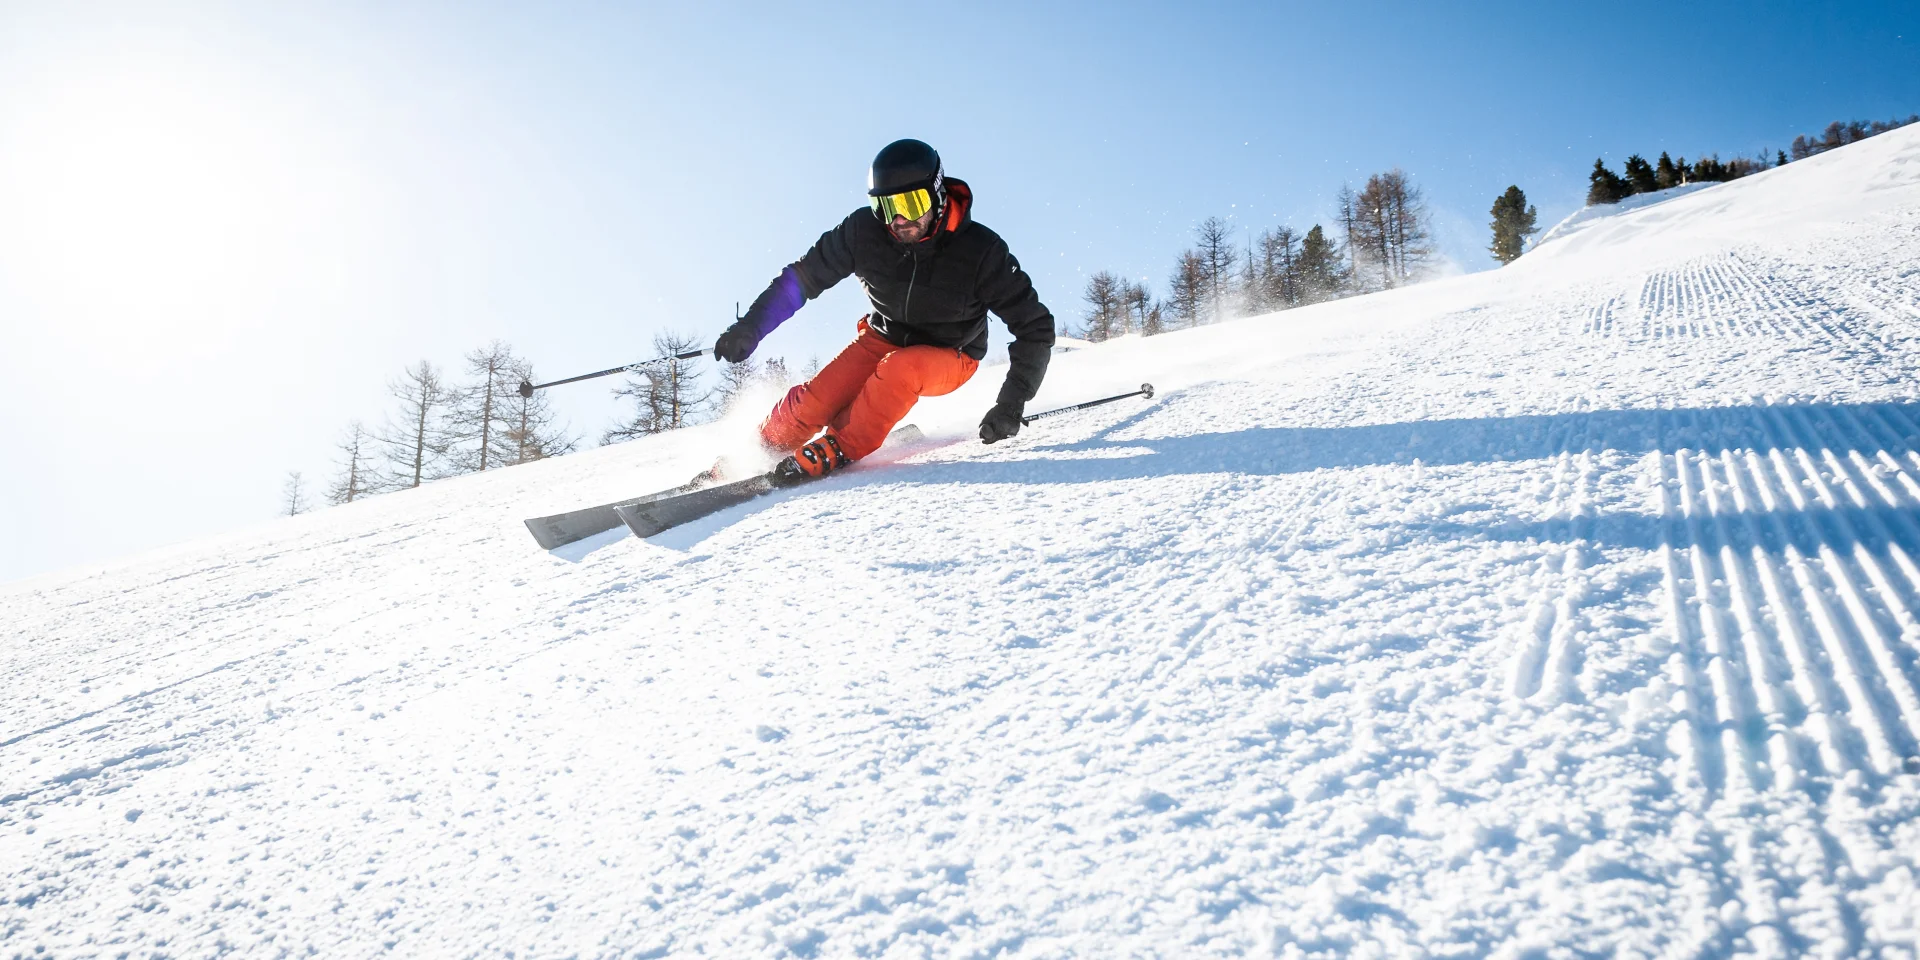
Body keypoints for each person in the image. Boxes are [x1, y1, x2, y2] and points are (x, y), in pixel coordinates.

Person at [713, 138, 1056, 484]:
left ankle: (843, 445)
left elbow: (1035, 328)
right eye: (886, 207)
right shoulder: (864, 232)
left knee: (899, 370)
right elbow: (802, 278)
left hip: (952, 353)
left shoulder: (981, 251)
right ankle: (762, 448)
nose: (899, 219)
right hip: (883, 335)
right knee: (814, 402)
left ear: (937, 196)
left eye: (911, 203)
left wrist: (1011, 404)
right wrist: (751, 328)